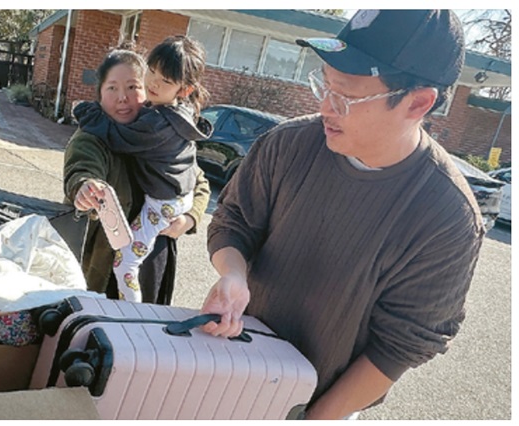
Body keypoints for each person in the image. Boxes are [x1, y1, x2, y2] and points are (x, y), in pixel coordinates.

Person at [199, 10, 483, 420]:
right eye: (324, 85)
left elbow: (400, 346)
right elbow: (234, 222)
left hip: (319, 399)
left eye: (346, 95)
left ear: (418, 102)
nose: (325, 106)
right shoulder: (287, 144)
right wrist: (233, 274)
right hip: (221, 360)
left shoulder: (447, 217)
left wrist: (313, 417)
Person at [63, 47, 211, 304]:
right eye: (112, 88)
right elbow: (82, 168)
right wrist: (85, 186)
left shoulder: (162, 129)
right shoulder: (93, 136)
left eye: (132, 87)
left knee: (144, 334)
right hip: (107, 265)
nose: (123, 97)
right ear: (99, 93)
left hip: (154, 262)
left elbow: (198, 180)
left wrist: (189, 218)